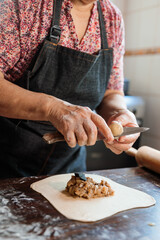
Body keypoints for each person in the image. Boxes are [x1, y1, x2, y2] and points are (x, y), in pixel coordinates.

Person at [0, 0, 139, 179]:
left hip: (68, 170)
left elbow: (111, 91)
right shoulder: (23, 5)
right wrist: (52, 108)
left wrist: (118, 112)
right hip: (7, 163)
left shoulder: (112, 18)